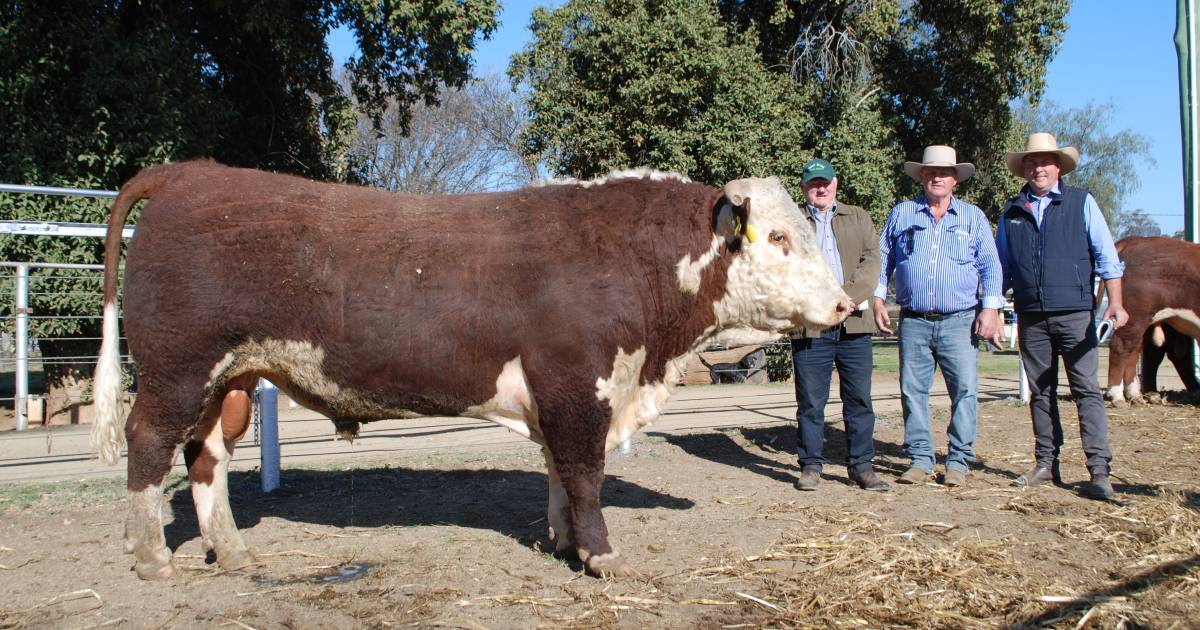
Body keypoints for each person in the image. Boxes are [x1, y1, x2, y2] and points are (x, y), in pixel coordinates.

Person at [995, 132, 1128, 500]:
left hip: (1075, 314)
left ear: (1058, 167)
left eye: (1045, 162)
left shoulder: (1082, 203)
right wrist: (990, 307)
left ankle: (1099, 471)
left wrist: (1115, 303)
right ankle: (1045, 463)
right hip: (1032, 316)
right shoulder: (1011, 212)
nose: (1038, 168)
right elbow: (1001, 268)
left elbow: (1107, 259)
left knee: (1086, 390)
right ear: (1024, 168)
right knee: (1041, 391)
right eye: (1032, 162)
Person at [872, 145, 1004, 487]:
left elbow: (991, 266)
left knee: (965, 391)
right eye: (931, 172)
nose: (937, 177)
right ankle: (920, 459)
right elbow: (882, 259)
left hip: (960, 320)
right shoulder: (902, 213)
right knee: (912, 391)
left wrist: (990, 308)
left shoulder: (973, 218)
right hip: (914, 319)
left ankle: (958, 460)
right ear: (922, 177)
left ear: (955, 180)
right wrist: (877, 297)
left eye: (944, 172)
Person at [789, 159, 889, 493]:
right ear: (804, 187)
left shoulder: (858, 217)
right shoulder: (790, 222)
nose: (821, 188)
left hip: (855, 323)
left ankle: (862, 466)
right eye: (814, 183)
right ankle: (811, 466)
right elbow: (780, 269)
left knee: (859, 399)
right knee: (811, 402)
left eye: (826, 182)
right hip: (811, 326)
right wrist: (820, 304)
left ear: (836, 183)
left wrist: (846, 298)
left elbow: (872, 260)